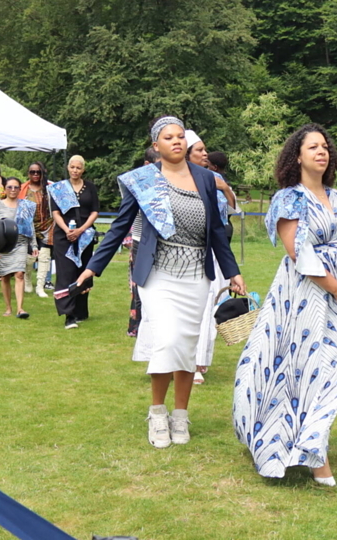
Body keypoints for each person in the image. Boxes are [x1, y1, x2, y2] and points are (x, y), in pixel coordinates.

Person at [78, 116, 244, 449]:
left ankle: (180, 415)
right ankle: (157, 413)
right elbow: (119, 227)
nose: (177, 142)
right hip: (159, 275)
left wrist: (232, 271)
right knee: (167, 340)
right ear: (157, 145)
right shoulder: (145, 181)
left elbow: (216, 231)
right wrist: (92, 268)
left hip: (197, 273)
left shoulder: (206, 179)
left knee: (187, 345)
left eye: (181, 136)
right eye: (168, 137)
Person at [234, 123, 337, 486]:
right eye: (313, 147)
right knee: (304, 368)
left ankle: (309, 444)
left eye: (325, 147)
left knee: (331, 371)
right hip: (304, 297)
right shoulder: (289, 198)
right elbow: (298, 253)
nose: (321, 152)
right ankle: (313, 456)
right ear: (296, 155)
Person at [185, 130, 236, 383]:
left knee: (209, 307)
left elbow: (233, 206)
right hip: (188, 251)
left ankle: (199, 361)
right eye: (200, 150)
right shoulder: (179, 179)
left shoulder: (213, 177)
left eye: (206, 150)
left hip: (215, 250)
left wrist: (224, 186)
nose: (205, 154)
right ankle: (181, 361)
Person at [50, 155, 100, 329]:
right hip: (64, 236)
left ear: (83, 169)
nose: (75, 170)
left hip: (85, 236)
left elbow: (94, 211)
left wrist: (81, 230)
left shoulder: (90, 188)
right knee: (66, 273)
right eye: (72, 167)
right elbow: (55, 212)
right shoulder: (59, 188)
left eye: (78, 168)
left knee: (82, 272)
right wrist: (67, 230)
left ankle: (80, 310)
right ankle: (68, 314)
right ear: (68, 168)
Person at [0, 177, 38, 319]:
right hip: (2, 245)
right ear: (5, 188)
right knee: (5, 276)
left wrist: (34, 244)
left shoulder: (25, 205)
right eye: (10, 187)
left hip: (20, 243)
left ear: (20, 189)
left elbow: (30, 226)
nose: (13, 190)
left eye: (16, 187)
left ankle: (20, 308)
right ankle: (8, 308)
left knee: (19, 274)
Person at [127, 147, 161, 337]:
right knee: (140, 284)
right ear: (148, 164)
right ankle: (136, 326)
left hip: (157, 241)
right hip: (141, 241)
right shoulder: (139, 184)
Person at [19, 162, 53, 297]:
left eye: (38, 172)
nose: (35, 175)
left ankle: (40, 286)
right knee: (30, 258)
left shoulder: (50, 188)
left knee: (44, 256)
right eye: (32, 172)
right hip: (28, 228)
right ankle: (27, 281)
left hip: (48, 226)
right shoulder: (23, 189)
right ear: (28, 173)